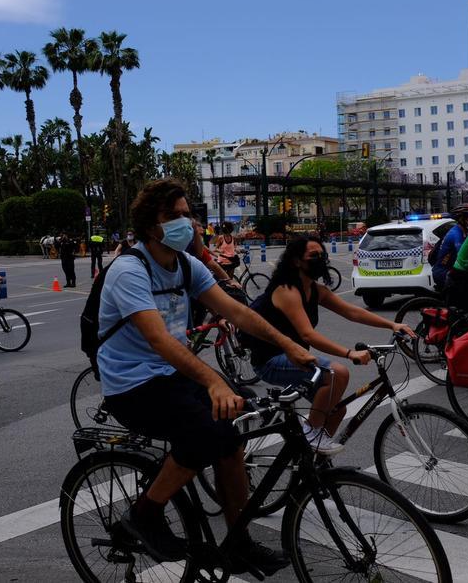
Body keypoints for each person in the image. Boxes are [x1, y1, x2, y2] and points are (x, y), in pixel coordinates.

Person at [97, 180, 310, 571]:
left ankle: (239, 541)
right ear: (150, 227)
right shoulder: (129, 269)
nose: (186, 223)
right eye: (173, 216)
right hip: (131, 384)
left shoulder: (186, 264)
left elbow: (237, 311)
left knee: (230, 438)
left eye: (187, 214)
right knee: (204, 433)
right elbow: (159, 340)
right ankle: (145, 513)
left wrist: (288, 344)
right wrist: (213, 381)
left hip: (170, 374)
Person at [240, 236, 414, 453]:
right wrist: (349, 353)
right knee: (336, 373)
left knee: (336, 411)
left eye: (322, 255)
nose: (320, 260)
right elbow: (308, 335)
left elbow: (352, 312)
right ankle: (310, 434)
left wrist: (392, 325)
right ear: (296, 261)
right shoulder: (287, 291)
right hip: (270, 361)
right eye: (313, 256)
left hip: (298, 358)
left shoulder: (315, 290)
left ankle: (312, 465)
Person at [432, 203, 468, 291]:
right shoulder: (456, 233)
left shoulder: (465, 231)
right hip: (444, 273)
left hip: (454, 270)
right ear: (461, 218)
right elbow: (463, 255)